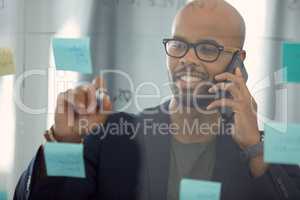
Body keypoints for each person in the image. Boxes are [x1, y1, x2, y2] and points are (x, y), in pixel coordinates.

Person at [14, 0, 300, 199]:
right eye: (179, 45)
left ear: (238, 60)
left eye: (208, 48)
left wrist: (254, 149)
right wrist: (64, 142)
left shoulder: (263, 151)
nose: (188, 60)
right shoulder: (113, 136)